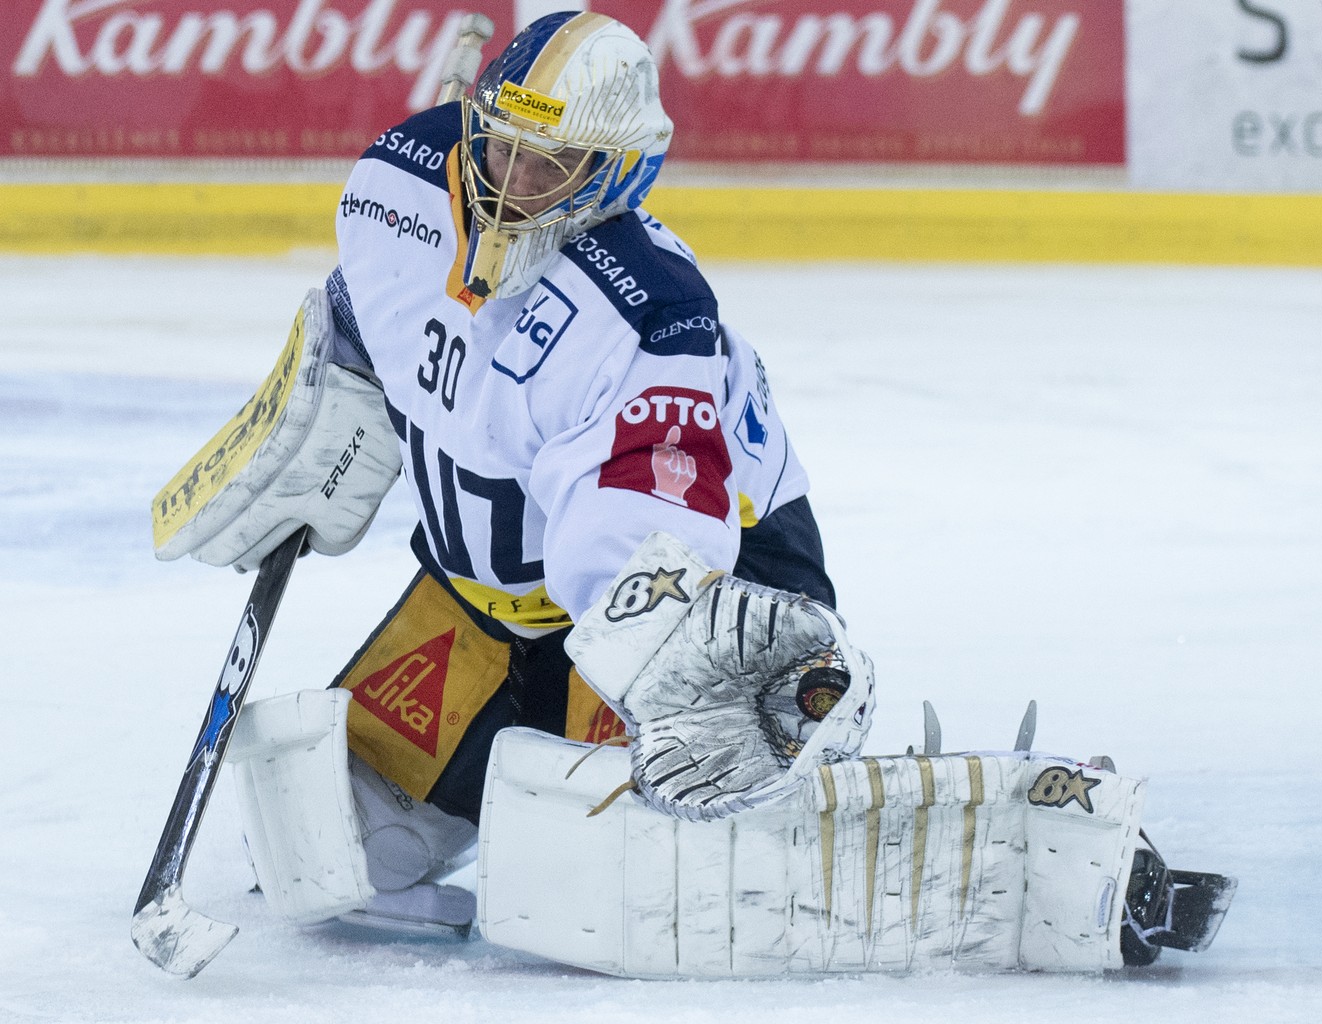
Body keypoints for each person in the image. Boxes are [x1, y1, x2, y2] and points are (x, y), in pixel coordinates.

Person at [152, 11, 872, 936]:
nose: (513, 185)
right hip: (480, 606)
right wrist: (331, 392)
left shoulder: (650, 317)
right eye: (501, 148)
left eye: (552, 164)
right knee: (319, 850)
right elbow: (379, 303)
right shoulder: (397, 183)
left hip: (691, 599)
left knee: (610, 895)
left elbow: (637, 558)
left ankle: (793, 759)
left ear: (618, 171)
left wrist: (703, 688)